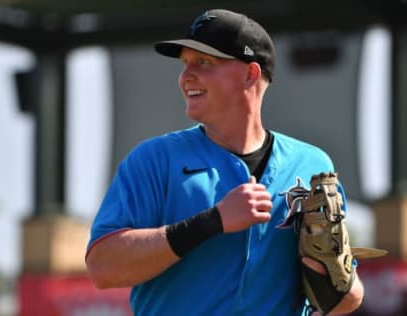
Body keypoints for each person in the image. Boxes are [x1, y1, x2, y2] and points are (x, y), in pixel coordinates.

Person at [85, 8, 364, 316]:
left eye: (204, 62)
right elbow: (103, 267)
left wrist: (332, 279)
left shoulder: (311, 165)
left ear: (250, 74)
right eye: (185, 63)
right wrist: (213, 221)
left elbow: (348, 297)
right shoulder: (154, 160)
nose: (186, 75)